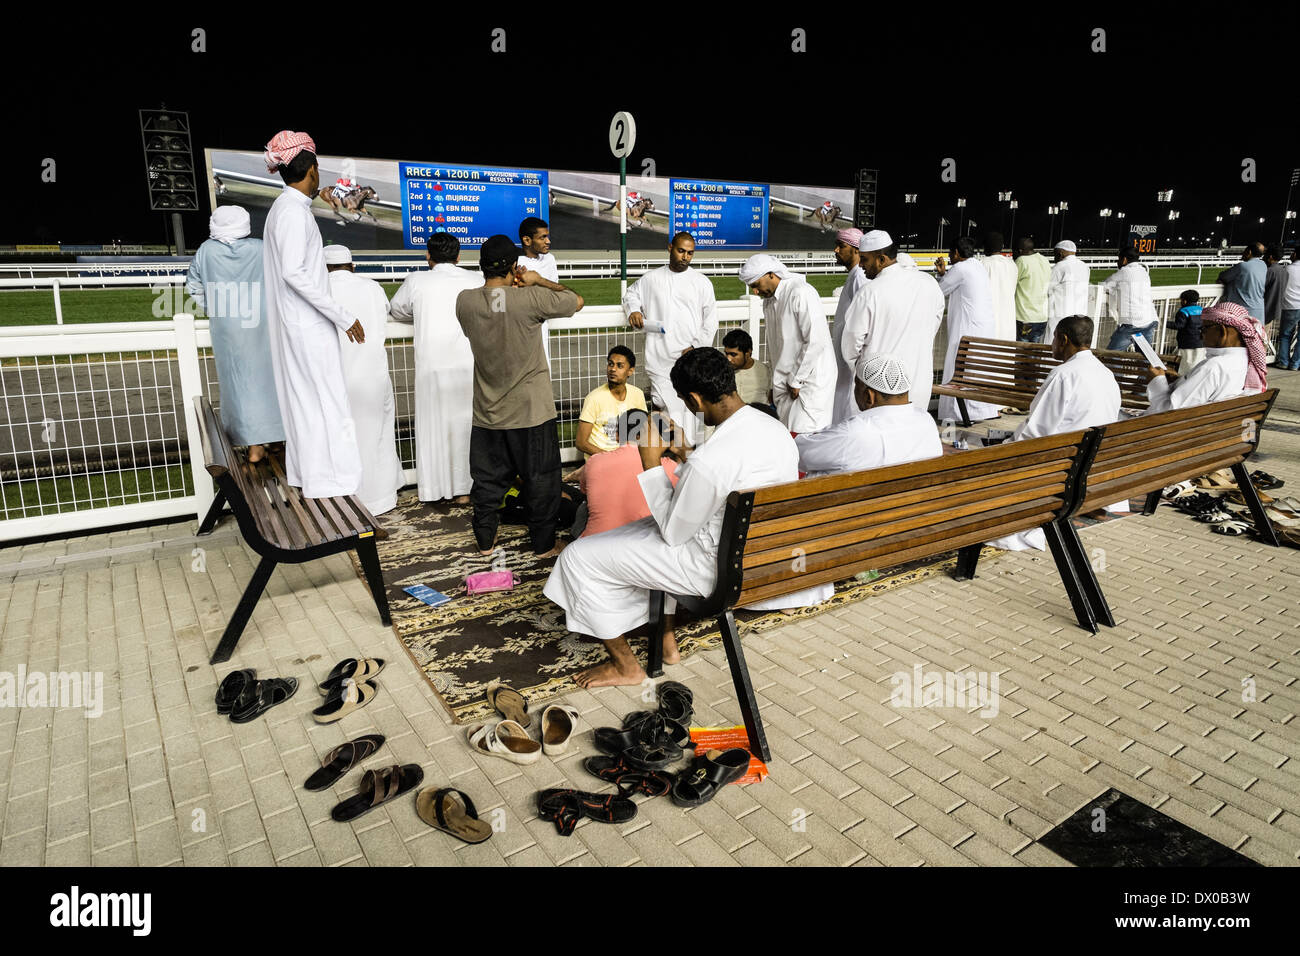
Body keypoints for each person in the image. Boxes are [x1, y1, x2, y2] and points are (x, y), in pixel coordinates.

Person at [543, 348, 827, 688]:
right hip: (758, 556)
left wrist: (649, 463)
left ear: (694, 398)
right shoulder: (772, 427)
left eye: (684, 401)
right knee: (631, 536)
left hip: (713, 570)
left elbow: (674, 533)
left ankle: (625, 666)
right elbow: (714, 483)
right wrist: (684, 453)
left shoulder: (713, 458)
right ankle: (666, 643)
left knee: (577, 558)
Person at [456, 234, 584, 557]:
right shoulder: (529, 298)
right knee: (541, 479)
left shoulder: (464, 301)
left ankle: (485, 541)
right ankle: (542, 545)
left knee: (486, 481)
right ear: (515, 268)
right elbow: (575, 301)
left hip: (487, 413)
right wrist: (537, 280)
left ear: (482, 266)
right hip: (531, 412)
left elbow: (494, 307)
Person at [260, 130, 365, 499]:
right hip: (308, 326)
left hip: (299, 325)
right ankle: (338, 487)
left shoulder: (287, 209)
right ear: (312, 169)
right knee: (327, 404)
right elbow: (294, 272)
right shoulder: (291, 213)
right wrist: (342, 315)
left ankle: (315, 479)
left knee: (308, 404)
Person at [988, 315, 1122, 551]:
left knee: (993, 457)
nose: (1051, 344)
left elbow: (1037, 431)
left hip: (1064, 464)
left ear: (1063, 339)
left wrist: (1004, 447)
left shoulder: (1063, 374)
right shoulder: (1106, 373)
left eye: (1053, 338)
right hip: (1095, 460)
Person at [387, 232, 484, 503]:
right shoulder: (475, 279)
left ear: (428, 255)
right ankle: (466, 488)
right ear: (458, 255)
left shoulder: (417, 280)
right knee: (468, 426)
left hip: (432, 366)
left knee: (433, 429)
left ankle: (433, 490)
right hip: (469, 364)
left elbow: (398, 311)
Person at [185, 204, 284, 463]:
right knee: (269, 381)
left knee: (238, 386)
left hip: (227, 328)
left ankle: (254, 445)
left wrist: (216, 308)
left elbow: (194, 286)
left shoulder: (205, 251)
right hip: (263, 324)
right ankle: (274, 438)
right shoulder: (261, 248)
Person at [324, 245, 404, 516]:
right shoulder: (372, 288)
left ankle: (346, 502)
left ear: (324, 268)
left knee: (339, 440)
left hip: (335, 377)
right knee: (379, 437)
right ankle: (381, 499)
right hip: (372, 376)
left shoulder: (320, 290)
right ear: (352, 266)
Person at [624, 232, 718, 450]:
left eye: (690, 253)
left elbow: (711, 322)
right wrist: (634, 311)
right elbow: (631, 295)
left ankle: (688, 458)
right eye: (681, 251)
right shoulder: (651, 279)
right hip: (659, 358)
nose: (685, 256)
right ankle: (670, 459)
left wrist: (695, 348)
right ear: (670, 248)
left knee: (693, 413)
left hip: (691, 360)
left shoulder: (701, 282)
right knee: (668, 410)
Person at [841, 230, 945, 416]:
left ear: (881, 259)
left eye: (864, 259)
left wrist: (865, 374)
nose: (861, 265)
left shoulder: (869, 292)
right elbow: (933, 326)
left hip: (879, 391)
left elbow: (850, 344)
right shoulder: (929, 283)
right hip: (918, 382)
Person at [794, 353, 942, 478]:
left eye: (856, 386)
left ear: (869, 395)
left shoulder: (855, 432)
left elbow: (798, 455)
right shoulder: (927, 421)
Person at [738, 254, 837, 434]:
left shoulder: (801, 292)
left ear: (770, 274)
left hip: (809, 381)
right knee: (786, 436)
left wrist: (797, 379)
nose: (755, 292)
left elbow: (816, 339)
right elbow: (776, 347)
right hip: (786, 384)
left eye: (755, 285)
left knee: (806, 436)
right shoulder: (768, 302)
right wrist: (774, 384)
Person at [1143, 301, 1265, 413]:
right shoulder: (1247, 362)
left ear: (1222, 332)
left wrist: (1156, 380)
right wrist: (1182, 380)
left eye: (1203, 329)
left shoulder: (1214, 367)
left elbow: (1169, 412)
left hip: (1163, 432)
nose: (1201, 335)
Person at [934, 236, 1001, 424]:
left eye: (950, 253)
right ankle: (979, 411)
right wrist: (943, 273)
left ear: (956, 253)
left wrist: (940, 275)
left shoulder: (960, 268)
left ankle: (956, 414)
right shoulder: (977, 265)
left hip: (967, 327)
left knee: (960, 368)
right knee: (976, 370)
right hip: (982, 327)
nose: (949, 257)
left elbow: (939, 291)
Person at [575, 346, 647, 459]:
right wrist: (611, 458)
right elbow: (581, 443)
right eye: (610, 364)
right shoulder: (594, 398)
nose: (613, 369)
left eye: (620, 366)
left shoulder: (638, 394)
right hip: (601, 459)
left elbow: (643, 431)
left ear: (630, 371)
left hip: (628, 457)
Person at [830, 228, 869, 424]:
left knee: (849, 408)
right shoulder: (854, 276)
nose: (836, 250)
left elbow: (864, 319)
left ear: (855, 250)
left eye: (841, 246)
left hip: (852, 359)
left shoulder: (859, 277)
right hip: (845, 357)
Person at [1101, 245, 1158, 351]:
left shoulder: (1124, 272)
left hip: (1132, 324)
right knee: (1146, 358)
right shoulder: (1143, 271)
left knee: (1111, 356)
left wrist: (1114, 291)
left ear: (1124, 259)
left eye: (1119, 259)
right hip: (1150, 320)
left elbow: (1104, 286)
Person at [1047, 240, 1090, 342]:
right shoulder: (1085, 267)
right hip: (1079, 314)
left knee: (1054, 343)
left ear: (1061, 253)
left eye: (1055, 254)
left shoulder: (1059, 267)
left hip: (1059, 315)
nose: (1054, 258)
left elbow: (1047, 289)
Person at [1217, 241, 1267, 325]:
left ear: (1249, 252)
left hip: (1242, 313)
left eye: (1244, 252)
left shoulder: (1242, 266)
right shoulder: (1263, 265)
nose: (1242, 254)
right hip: (1259, 311)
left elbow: (1223, 276)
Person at [980, 232, 1018, 341]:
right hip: (1007, 317)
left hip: (988, 316)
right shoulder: (1012, 265)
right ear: (1002, 247)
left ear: (985, 247)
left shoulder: (982, 263)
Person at [722, 328, 773, 408]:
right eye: (726, 353)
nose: (728, 359)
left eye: (733, 354)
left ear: (747, 353)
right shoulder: (721, 371)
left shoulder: (765, 371)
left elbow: (771, 400)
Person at [1014, 237, 1051, 343]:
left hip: (1025, 317)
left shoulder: (1021, 260)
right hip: (1042, 317)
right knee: (1034, 353)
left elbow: (1012, 283)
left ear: (1020, 250)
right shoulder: (1044, 260)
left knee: (1021, 353)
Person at [1171, 289, 1205, 372]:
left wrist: (1164, 323)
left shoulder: (1183, 311)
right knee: (1197, 363)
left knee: (1185, 364)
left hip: (1186, 343)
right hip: (1200, 342)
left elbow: (1179, 325)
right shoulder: (1201, 309)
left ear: (1185, 301)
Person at [517, 217, 559, 282]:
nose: (548, 241)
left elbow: (554, 288)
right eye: (542, 237)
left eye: (547, 237)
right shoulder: (515, 263)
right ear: (527, 240)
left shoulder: (549, 258)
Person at [1279, 250, 1300, 370]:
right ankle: (1296, 363)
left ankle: (1284, 361)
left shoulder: (1287, 269)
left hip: (1290, 306)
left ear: (1295, 255)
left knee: (1285, 335)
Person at [1263, 244, 1290, 331]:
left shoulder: (1270, 271)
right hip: (1275, 310)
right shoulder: (1284, 271)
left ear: (1270, 257)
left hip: (1265, 310)